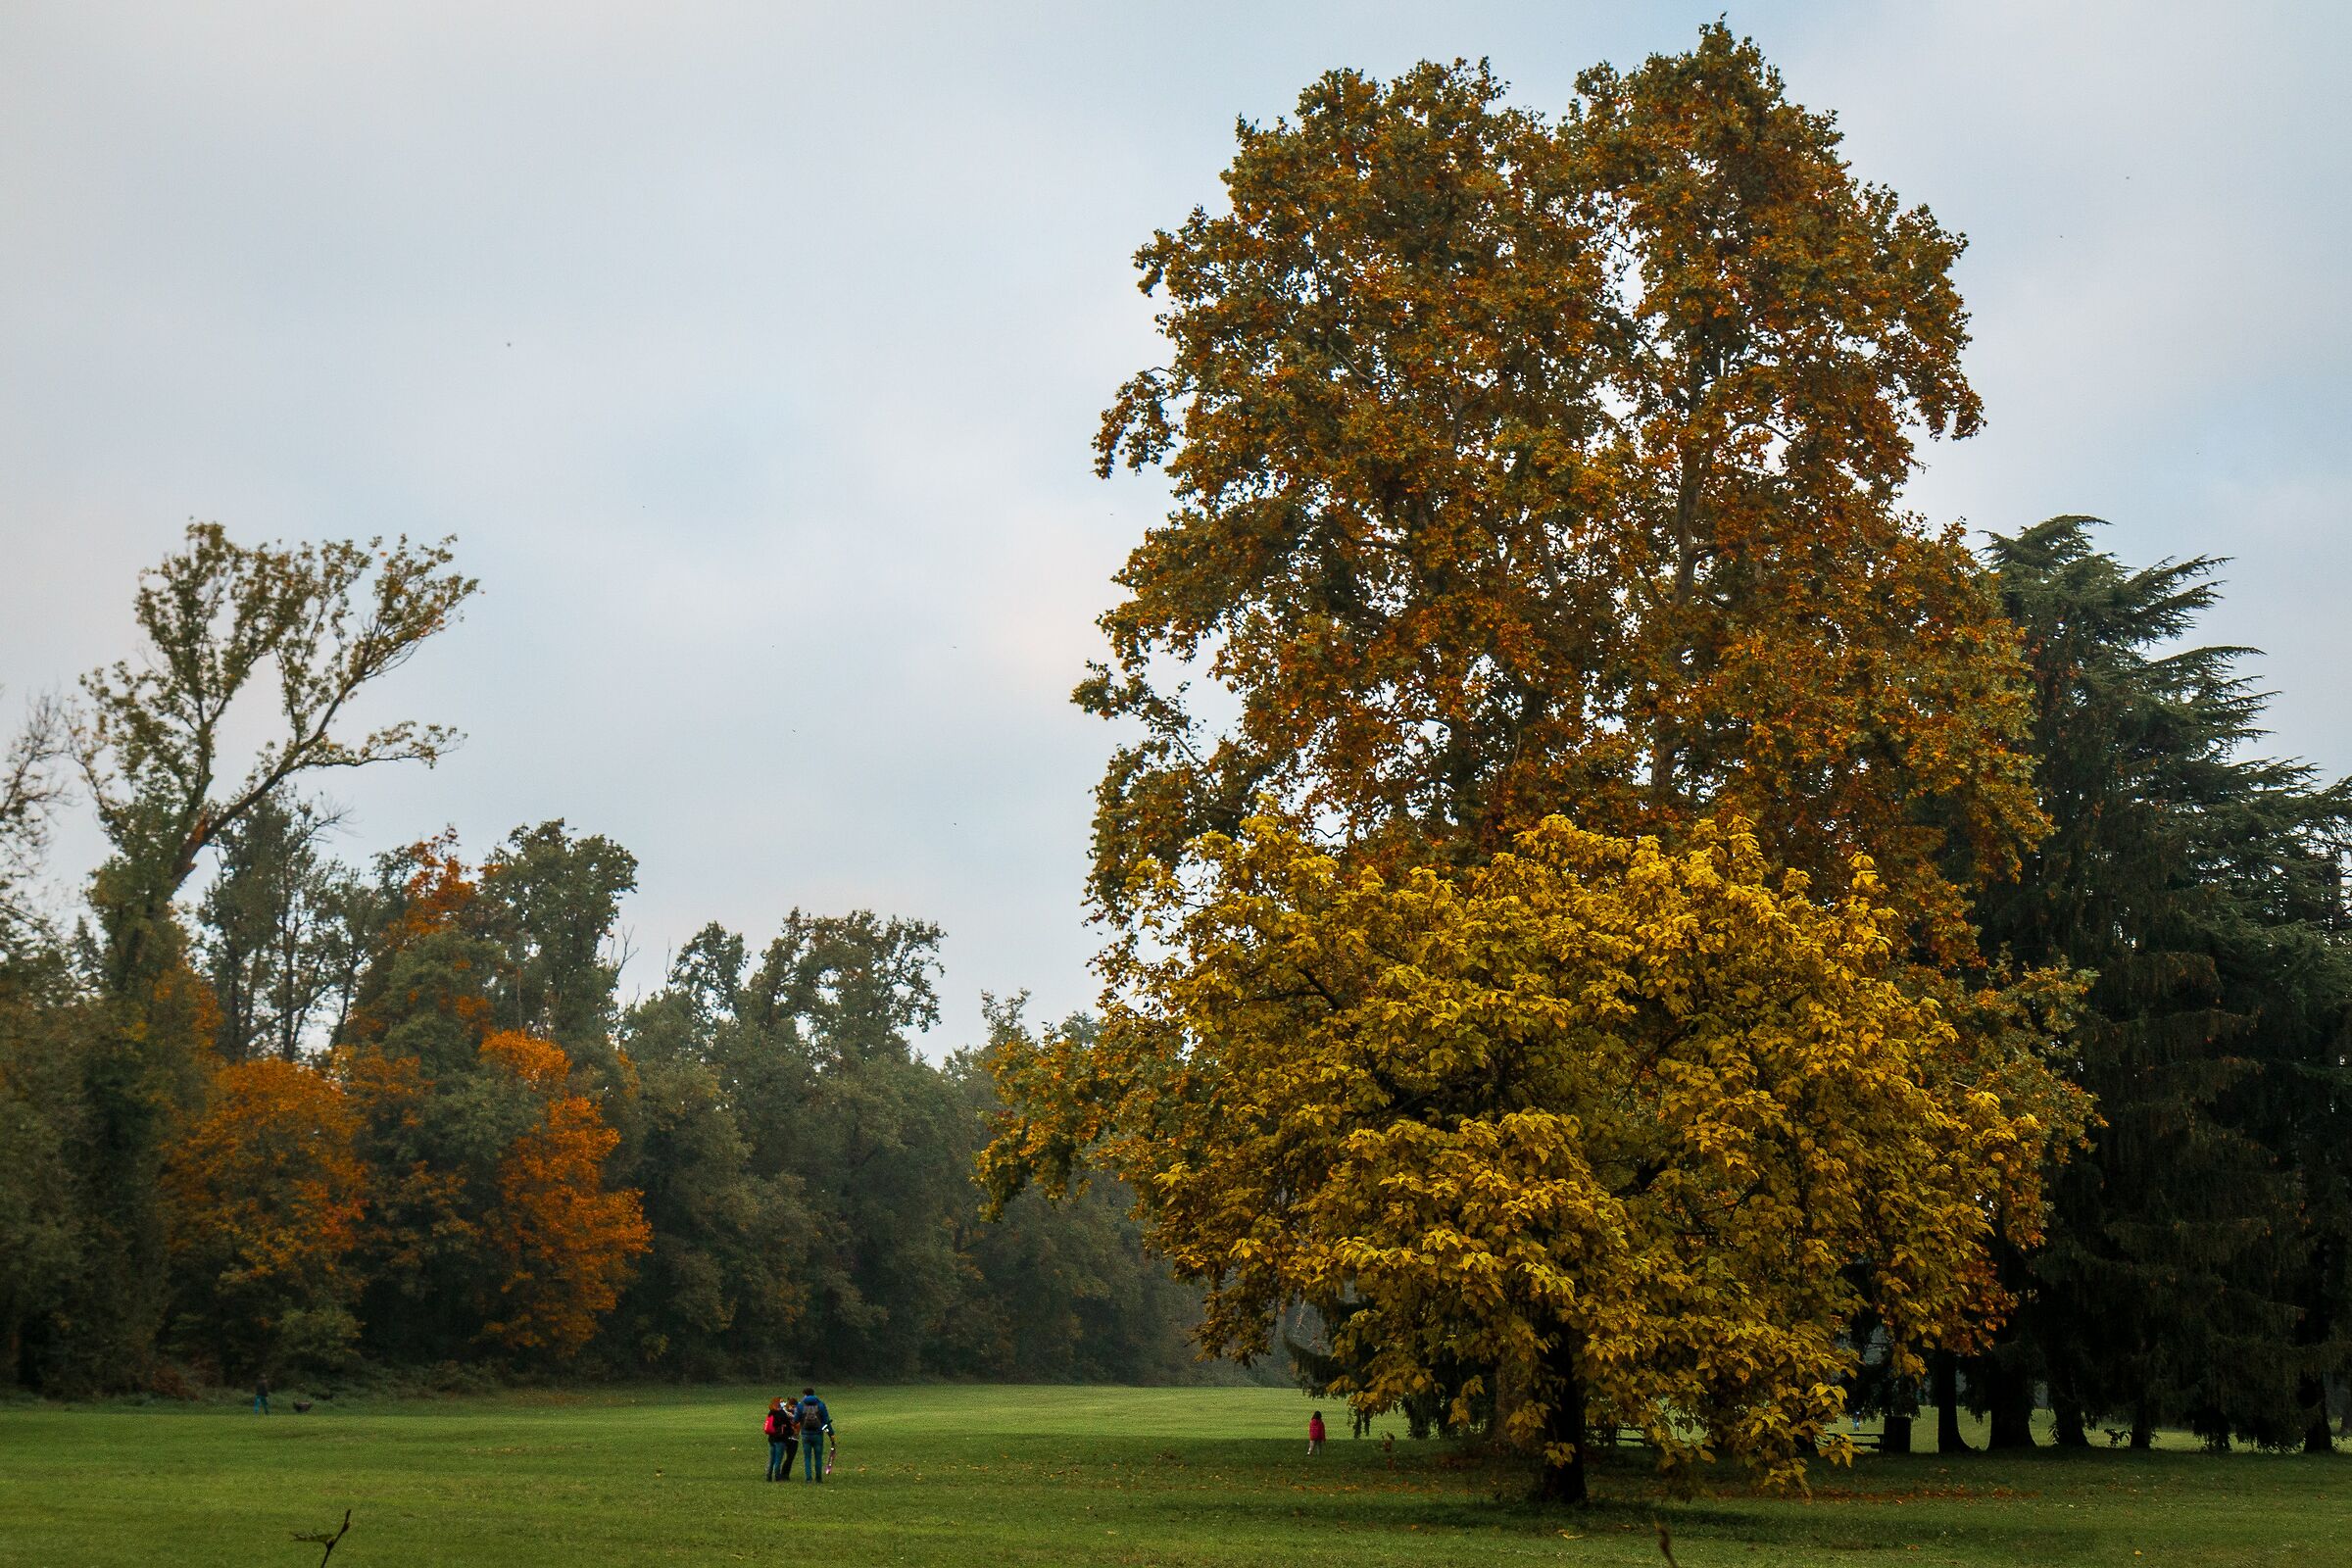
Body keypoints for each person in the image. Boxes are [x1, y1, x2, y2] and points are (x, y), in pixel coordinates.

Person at [796, 1388, 832, 1482]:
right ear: (813, 1393)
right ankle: (818, 1478)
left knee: (807, 1457)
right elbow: (826, 1420)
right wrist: (831, 1433)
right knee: (818, 1457)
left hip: (805, 1434)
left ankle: (808, 1478)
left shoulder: (800, 1405)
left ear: (805, 1394)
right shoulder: (820, 1404)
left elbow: (796, 1420)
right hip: (818, 1434)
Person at [764, 1397, 792, 1482]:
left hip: (771, 1438)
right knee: (778, 1460)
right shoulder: (782, 1414)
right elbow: (788, 1425)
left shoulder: (770, 1413)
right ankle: (777, 1477)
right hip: (780, 1439)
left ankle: (768, 1476)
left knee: (771, 1458)